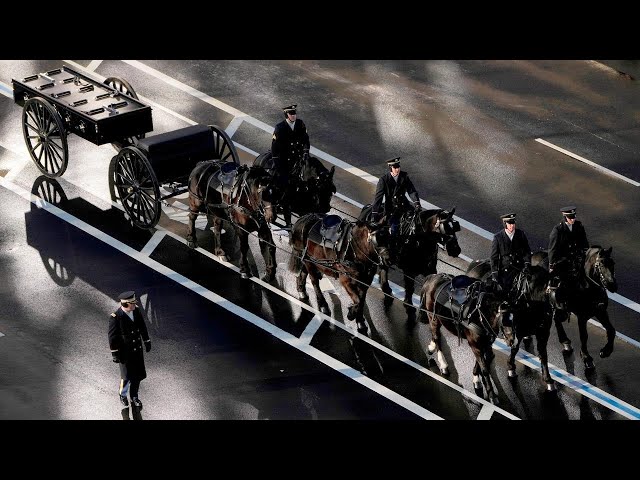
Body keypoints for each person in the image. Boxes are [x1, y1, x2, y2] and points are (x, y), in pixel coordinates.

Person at [108, 291, 151, 409]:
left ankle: (134, 397)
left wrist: (146, 341)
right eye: (132, 303)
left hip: (137, 350)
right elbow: (112, 337)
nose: (135, 305)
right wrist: (115, 354)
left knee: (137, 376)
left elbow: (142, 326)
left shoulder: (136, 311)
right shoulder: (116, 317)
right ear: (126, 304)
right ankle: (122, 395)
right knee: (126, 377)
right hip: (125, 353)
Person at [271, 104, 311, 227]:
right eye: (291, 114)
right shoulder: (280, 128)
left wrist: (305, 152)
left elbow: (305, 139)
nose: (294, 116)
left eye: (294, 114)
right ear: (287, 115)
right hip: (285, 162)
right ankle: (287, 218)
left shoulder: (300, 124)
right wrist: (280, 168)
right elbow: (275, 149)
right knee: (286, 188)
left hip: (298, 159)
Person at [371, 157, 421, 237]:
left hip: (404, 206)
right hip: (391, 209)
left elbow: (411, 191)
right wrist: (375, 212)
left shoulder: (404, 176)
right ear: (390, 168)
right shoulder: (384, 180)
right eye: (395, 167)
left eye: (398, 167)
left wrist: (417, 203)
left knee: (417, 220)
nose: (397, 169)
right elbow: (378, 197)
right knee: (394, 228)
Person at [490, 213, 532, 294]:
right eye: (509, 224)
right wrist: (494, 272)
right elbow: (494, 257)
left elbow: (526, 250)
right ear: (505, 224)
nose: (512, 226)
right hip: (506, 269)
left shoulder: (521, 234)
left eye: (513, 223)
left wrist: (527, 263)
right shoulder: (498, 237)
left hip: (520, 267)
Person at [548, 205, 589, 286]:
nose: (573, 220)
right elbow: (553, 248)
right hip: (563, 258)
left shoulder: (579, 226)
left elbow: (584, 242)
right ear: (565, 217)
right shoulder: (558, 230)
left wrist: (585, 253)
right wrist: (552, 265)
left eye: (574, 217)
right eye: (570, 218)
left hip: (576, 257)